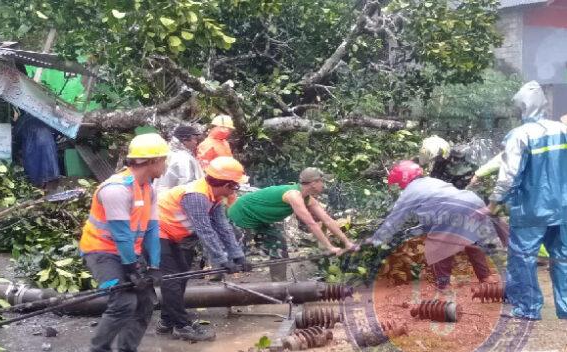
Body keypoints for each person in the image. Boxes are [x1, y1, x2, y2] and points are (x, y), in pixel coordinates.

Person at [79, 133, 168, 352]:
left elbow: (151, 229)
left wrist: (153, 267)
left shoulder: (148, 188)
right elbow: (119, 234)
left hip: (129, 253)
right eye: (164, 160)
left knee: (146, 299)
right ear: (154, 160)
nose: (165, 165)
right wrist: (131, 269)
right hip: (102, 252)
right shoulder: (116, 189)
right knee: (123, 302)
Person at [488, 81, 567, 320]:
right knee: (563, 257)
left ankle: (528, 308)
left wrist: (493, 203)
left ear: (521, 108)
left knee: (523, 259)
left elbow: (509, 175)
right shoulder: (562, 130)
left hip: (531, 209)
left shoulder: (519, 135)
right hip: (563, 208)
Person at [156, 156, 252, 341]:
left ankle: (167, 321)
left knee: (181, 275)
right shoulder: (197, 196)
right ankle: (181, 326)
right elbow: (205, 230)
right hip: (156, 231)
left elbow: (222, 227)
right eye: (235, 186)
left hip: (173, 235)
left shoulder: (213, 196)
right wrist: (222, 260)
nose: (235, 191)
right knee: (173, 279)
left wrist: (238, 256)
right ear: (227, 185)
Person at [369, 160, 496, 291]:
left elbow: (394, 220)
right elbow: (433, 214)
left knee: (438, 247)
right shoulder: (431, 181)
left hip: (452, 210)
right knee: (471, 241)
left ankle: (443, 285)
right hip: (474, 202)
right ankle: (486, 277)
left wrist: (375, 240)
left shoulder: (409, 193)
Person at [227, 167, 354, 281]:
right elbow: (311, 223)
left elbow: (327, 220)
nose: (324, 185)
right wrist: (330, 247)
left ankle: (280, 287)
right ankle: (215, 281)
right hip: (241, 214)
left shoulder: (308, 199)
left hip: (261, 220)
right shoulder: (293, 195)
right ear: (314, 183)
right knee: (236, 257)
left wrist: (346, 242)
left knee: (279, 248)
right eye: (322, 181)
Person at [155, 125, 204, 193]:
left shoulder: (167, 153)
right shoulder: (184, 159)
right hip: (175, 199)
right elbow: (187, 184)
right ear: (184, 140)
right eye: (194, 139)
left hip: (160, 197)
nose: (196, 142)